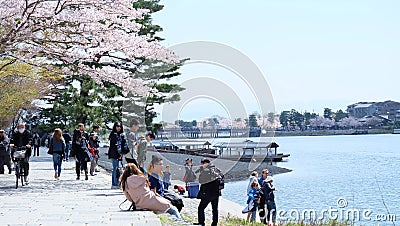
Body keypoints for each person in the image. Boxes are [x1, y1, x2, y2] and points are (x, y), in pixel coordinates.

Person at [195, 158, 221, 226]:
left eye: (202, 164)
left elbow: (201, 181)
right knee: (215, 209)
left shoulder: (205, 171)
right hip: (216, 193)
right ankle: (214, 224)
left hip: (207, 193)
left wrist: (201, 173)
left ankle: (201, 223)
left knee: (201, 208)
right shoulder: (216, 170)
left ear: (205, 163)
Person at [108, 121, 126, 189]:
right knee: (115, 168)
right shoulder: (115, 134)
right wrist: (119, 154)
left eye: (120, 126)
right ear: (115, 127)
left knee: (116, 168)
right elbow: (116, 146)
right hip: (114, 153)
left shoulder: (118, 134)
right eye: (117, 126)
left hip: (115, 153)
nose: (119, 127)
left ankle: (115, 183)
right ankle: (114, 184)